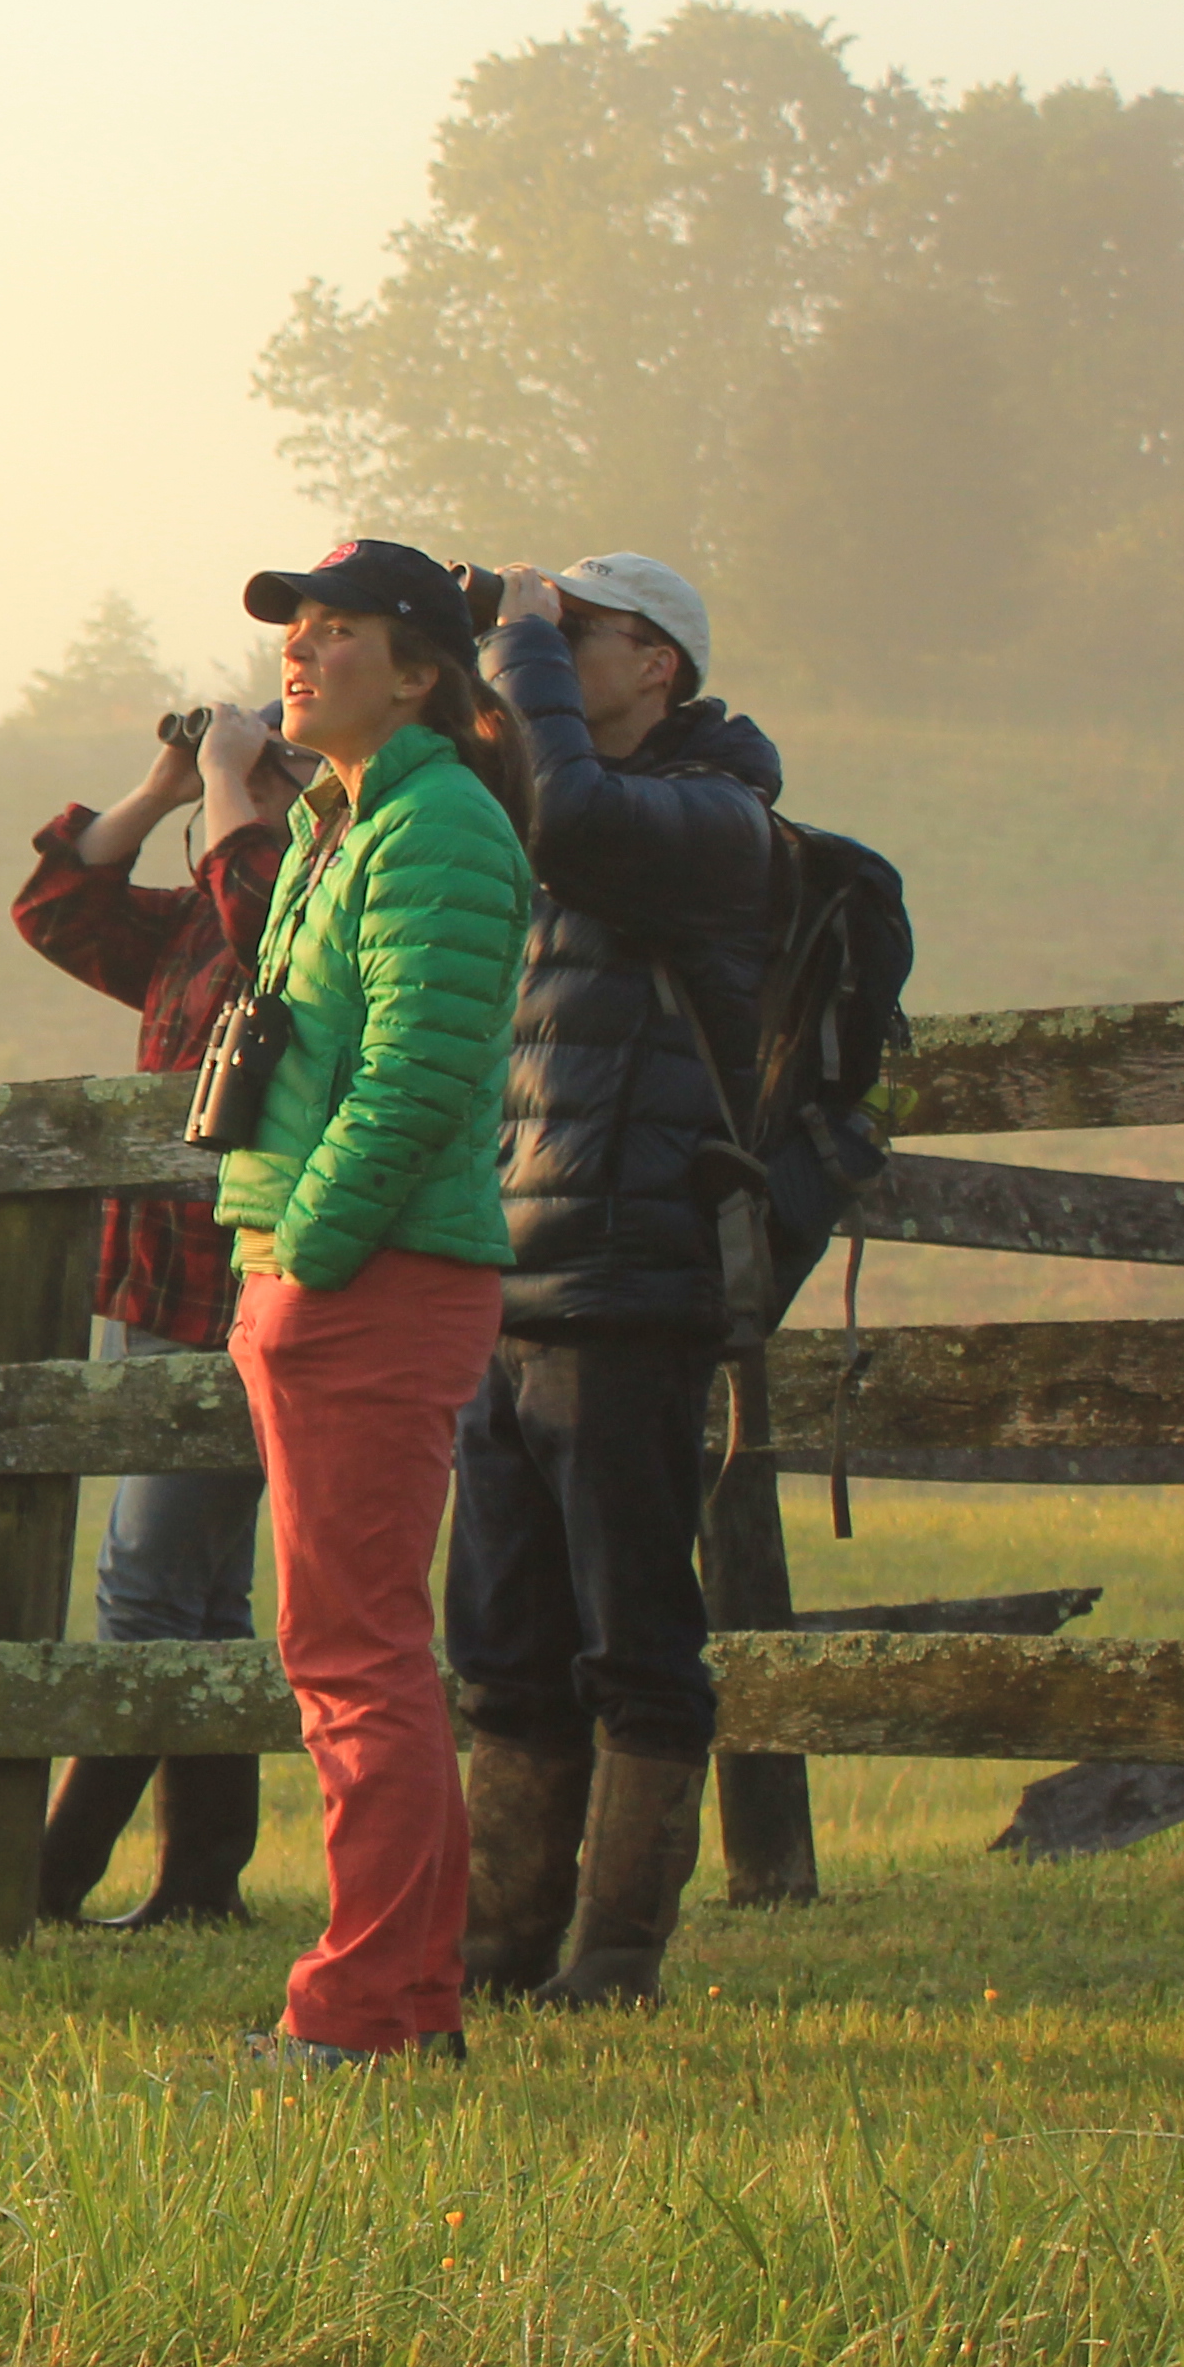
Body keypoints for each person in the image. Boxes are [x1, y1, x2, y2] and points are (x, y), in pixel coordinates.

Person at [216, 537, 533, 2073]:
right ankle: (404, 2006)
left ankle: (359, 2015)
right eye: (296, 629)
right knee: (350, 1648)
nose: (301, 653)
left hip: (370, 1278)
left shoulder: (442, 831)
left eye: (338, 632)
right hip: (333, 1272)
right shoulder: (344, 826)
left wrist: (311, 1250)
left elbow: (415, 1077)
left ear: (418, 670)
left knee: (356, 1658)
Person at [455, 550, 779, 2012]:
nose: (552, 651)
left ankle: (619, 1954)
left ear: (663, 664)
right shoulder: (542, 801)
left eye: (585, 636)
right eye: (549, 630)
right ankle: (501, 1944)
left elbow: (579, 815)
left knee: (636, 1632)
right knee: (507, 1643)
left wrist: (515, 646)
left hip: (635, 1282)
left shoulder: (715, 822)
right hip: (509, 1277)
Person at [7, 705, 294, 1926]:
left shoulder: (307, 900)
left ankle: (48, 1876)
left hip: (241, 1289)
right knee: (200, 1595)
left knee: (144, 1589)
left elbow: (260, 911)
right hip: (161, 1284)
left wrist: (238, 783)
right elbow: (56, 910)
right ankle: (199, 1881)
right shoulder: (190, 925)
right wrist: (170, 780)